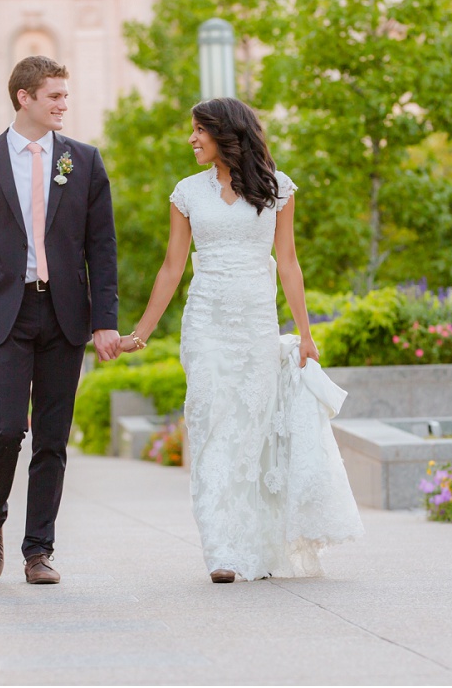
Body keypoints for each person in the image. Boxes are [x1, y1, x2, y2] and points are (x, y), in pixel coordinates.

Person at [119, 97, 363, 583]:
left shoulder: (278, 190)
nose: (191, 139)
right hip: (205, 323)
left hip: (255, 325)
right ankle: (221, 551)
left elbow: (289, 262)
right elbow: (172, 267)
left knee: (251, 437)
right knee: (211, 428)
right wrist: (140, 333)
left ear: (225, 133)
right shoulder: (186, 193)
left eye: (198, 131)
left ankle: (252, 543)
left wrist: (305, 333)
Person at [0, 55, 119, 585]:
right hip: (5, 313)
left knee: (52, 437)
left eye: (65, 97)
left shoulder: (84, 161)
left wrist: (105, 320)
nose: (63, 106)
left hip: (65, 314)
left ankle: (39, 551)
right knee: (6, 429)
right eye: (54, 97)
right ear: (24, 97)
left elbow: (102, 247)